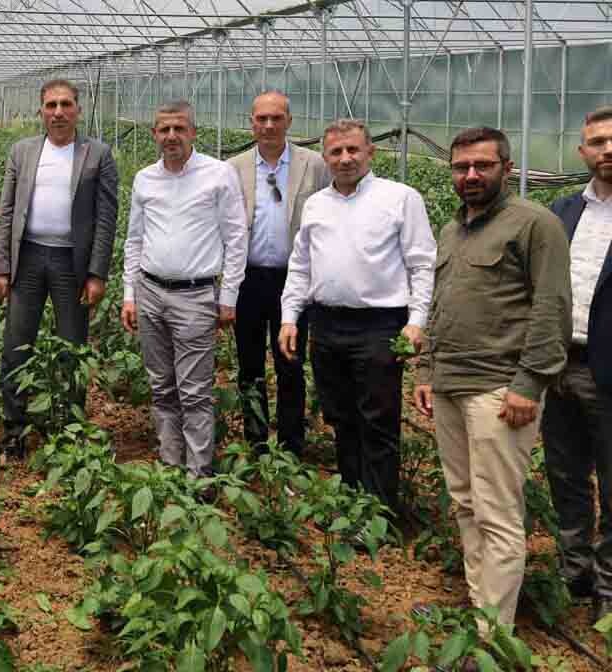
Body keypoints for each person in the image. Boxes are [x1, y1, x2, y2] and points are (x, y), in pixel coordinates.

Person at [413, 127, 571, 627]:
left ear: (507, 166)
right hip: (451, 385)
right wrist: (426, 369)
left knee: (497, 511)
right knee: (464, 502)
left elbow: (552, 309)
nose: (471, 175)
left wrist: (530, 384)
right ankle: (481, 605)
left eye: (482, 165)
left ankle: (492, 636)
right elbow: (440, 306)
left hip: (500, 389)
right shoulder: (453, 228)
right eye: (461, 167)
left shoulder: (534, 224)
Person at [279, 119, 435, 519]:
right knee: (341, 416)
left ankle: (379, 514)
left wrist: (417, 320)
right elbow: (300, 266)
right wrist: (289, 317)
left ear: (371, 153)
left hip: (380, 325)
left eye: (353, 150)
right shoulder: (316, 204)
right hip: (327, 324)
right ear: (326, 157)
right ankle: (350, 500)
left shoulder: (400, 198)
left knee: (378, 419)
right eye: (336, 152)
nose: (345, 159)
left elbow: (422, 264)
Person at [0, 79, 119, 457]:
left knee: (72, 348)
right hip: (27, 258)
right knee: (16, 345)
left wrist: (97, 273)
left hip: (71, 263)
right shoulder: (23, 151)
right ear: (41, 111)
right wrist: (1, 267)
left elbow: (106, 217)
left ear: (78, 110)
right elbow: (7, 211)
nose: (58, 112)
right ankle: (15, 428)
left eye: (66, 104)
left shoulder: (98, 154)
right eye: (51, 105)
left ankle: (69, 428)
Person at [120, 101, 247, 475]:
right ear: (154, 135)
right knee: (161, 385)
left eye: (179, 128)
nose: (171, 136)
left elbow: (236, 237)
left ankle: (198, 473)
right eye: (164, 129)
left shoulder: (218, 174)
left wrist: (229, 297)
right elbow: (134, 239)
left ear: (193, 132)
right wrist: (130, 294)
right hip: (150, 291)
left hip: (195, 296)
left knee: (194, 391)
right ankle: (170, 461)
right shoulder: (145, 178)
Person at [227, 91, 330, 456]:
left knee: (291, 361)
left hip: (294, 279)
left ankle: (290, 446)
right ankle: (256, 443)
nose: (268, 125)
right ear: (251, 122)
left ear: (290, 121)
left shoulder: (314, 165)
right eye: (261, 118)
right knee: (249, 363)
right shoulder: (234, 167)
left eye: (276, 118)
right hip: (248, 279)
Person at [541, 106, 612, 624]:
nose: (606, 150)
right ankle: (575, 571)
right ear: (581, 152)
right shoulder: (563, 210)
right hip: (559, 363)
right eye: (596, 142)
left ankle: (608, 583)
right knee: (565, 474)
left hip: (607, 368)